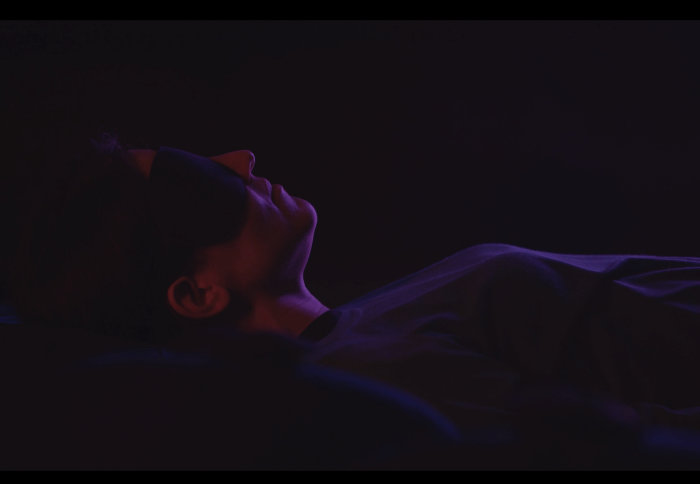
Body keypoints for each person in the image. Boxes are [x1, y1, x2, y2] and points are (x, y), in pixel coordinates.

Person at [6, 135, 700, 468]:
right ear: (196, 293)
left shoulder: (371, 326)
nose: (241, 159)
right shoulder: (371, 374)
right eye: (196, 181)